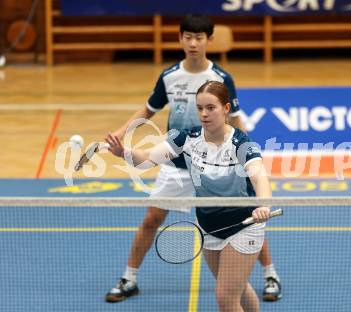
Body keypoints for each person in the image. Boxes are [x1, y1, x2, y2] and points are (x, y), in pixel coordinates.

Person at [104, 14, 281, 303]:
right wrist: (122, 140)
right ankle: (129, 277)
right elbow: (148, 113)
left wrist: (248, 155)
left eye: (199, 37)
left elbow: (236, 122)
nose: (193, 42)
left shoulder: (222, 79)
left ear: (209, 40)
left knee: (245, 218)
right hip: (179, 162)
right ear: (180, 38)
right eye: (188, 36)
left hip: (221, 165)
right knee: (152, 218)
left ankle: (270, 273)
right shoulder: (170, 76)